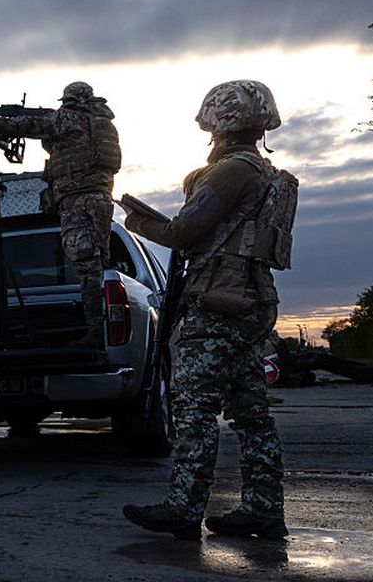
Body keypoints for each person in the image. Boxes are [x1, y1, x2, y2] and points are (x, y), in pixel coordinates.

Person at [121, 80, 294, 541]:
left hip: (217, 303)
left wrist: (134, 219)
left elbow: (184, 231)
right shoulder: (266, 173)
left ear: (220, 120)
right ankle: (263, 509)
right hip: (251, 301)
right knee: (250, 410)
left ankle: (183, 506)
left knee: (193, 407)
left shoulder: (233, 171)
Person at [0, 81, 121, 347]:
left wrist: (0, 123)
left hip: (77, 199)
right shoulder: (101, 123)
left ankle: (95, 332)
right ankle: (103, 329)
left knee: (86, 264)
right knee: (98, 262)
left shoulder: (68, 118)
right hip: (99, 198)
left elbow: (32, 127)